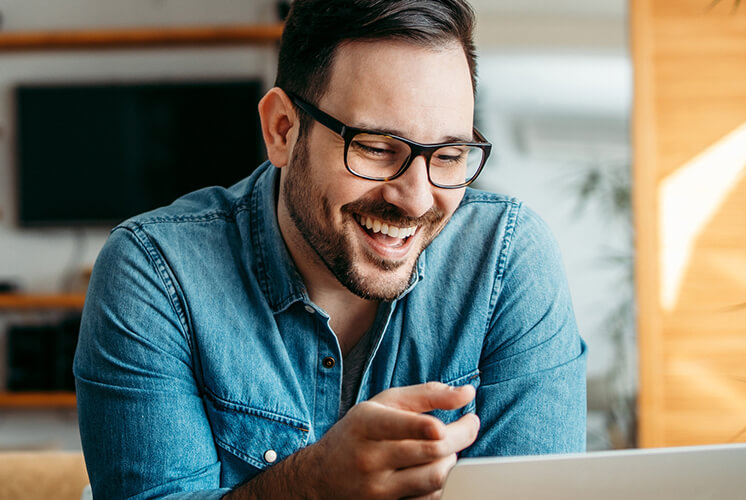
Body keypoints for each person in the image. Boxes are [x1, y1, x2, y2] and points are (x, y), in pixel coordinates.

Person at [74, 0, 587, 498]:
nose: (415, 199)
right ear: (282, 130)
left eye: (450, 155)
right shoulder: (155, 273)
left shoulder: (508, 259)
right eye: (376, 148)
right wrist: (316, 486)